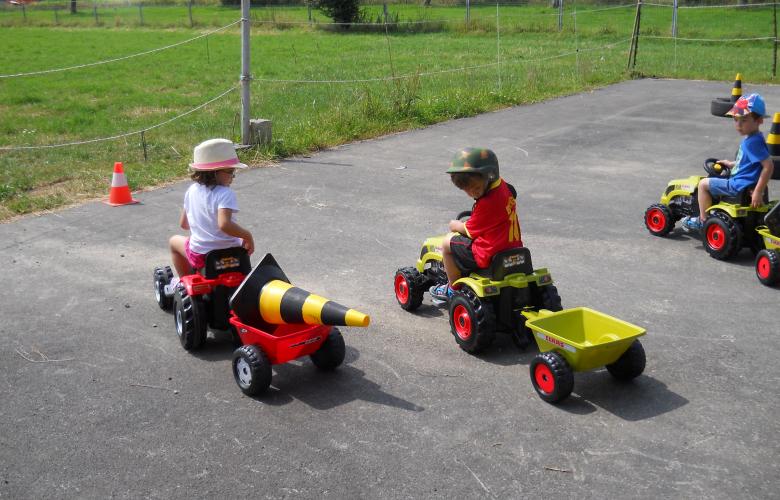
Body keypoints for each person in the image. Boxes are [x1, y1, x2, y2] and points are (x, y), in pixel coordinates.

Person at [430, 148, 523, 302]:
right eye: (467, 191)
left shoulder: (487, 203)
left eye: (476, 188)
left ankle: (452, 288)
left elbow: (468, 230)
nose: (473, 194)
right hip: (512, 246)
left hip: (489, 253)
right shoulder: (505, 187)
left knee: (447, 243)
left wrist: (455, 225)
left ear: (489, 176)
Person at [165, 138, 255, 294]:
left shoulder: (191, 191)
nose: (233, 176)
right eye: (230, 172)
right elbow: (224, 225)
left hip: (202, 254)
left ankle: (185, 281)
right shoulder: (225, 194)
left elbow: (184, 225)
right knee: (242, 242)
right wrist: (248, 236)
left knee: (174, 242)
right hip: (233, 251)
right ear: (215, 172)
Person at [683, 93, 774, 232]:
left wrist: (758, 191)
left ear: (759, 120)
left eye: (744, 120)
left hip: (737, 185)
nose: (738, 125)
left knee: (702, 185)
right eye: (736, 119)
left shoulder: (751, 143)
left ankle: (702, 220)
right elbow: (749, 164)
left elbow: (768, 166)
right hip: (743, 182)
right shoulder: (756, 138)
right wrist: (731, 164)